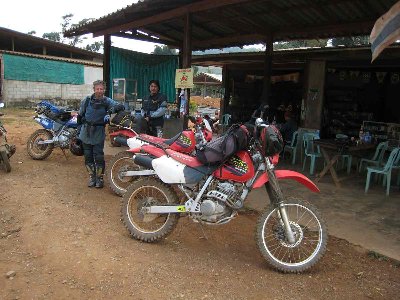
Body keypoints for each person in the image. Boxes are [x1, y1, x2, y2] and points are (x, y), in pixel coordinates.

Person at [77, 80, 125, 188]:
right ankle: (92, 177)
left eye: (101, 89)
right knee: (88, 156)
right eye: (97, 89)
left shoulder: (107, 101)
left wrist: (110, 111)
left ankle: (99, 178)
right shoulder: (87, 101)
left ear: (104, 90)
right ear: (94, 89)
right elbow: (80, 116)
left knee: (98, 156)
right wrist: (78, 130)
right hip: (86, 132)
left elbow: (121, 106)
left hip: (98, 132)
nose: (99, 91)